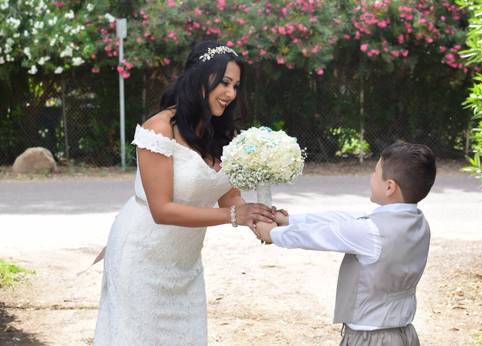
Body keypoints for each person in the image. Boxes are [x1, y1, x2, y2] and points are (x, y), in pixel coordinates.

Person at [94, 41, 276, 345]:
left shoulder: (225, 134)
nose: (231, 94)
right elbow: (162, 210)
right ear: (199, 78)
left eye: (236, 86)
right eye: (225, 83)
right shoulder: (160, 129)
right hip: (141, 256)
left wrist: (263, 220)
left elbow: (231, 199)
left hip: (185, 263)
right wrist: (234, 215)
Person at [254, 142, 436, 346]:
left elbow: (320, 235)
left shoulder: (371, 232)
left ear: (389, 187)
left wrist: (273, 234)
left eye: (375, 172)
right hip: (404, 334)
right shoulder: (418, 223)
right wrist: (290, 221)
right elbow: (342, 220)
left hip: (369, 338)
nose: (371, 177)